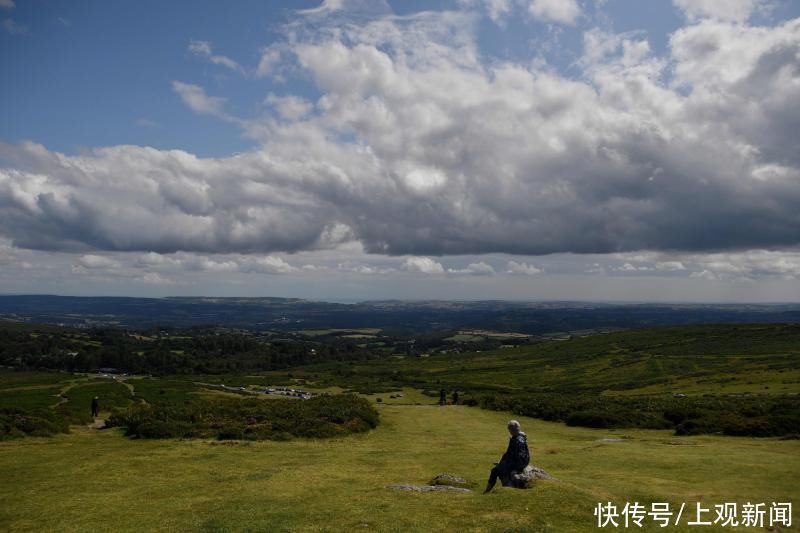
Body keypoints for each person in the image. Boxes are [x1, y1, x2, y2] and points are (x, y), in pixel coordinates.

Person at [484, 420, 530, 493]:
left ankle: (487, 491)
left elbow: (517, 456)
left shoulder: (518, 440)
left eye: (511, 429)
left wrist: (503, 464)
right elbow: (509, 453)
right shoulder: (518, 437)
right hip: (521, 462)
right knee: (497, 468)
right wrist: (501, 462)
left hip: (518, 463)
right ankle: (488, 490)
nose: (510, 431)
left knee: (495, 470)